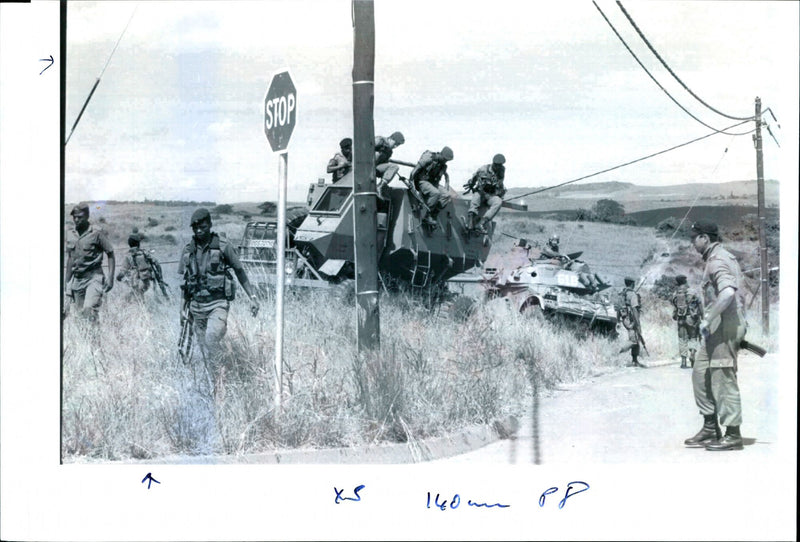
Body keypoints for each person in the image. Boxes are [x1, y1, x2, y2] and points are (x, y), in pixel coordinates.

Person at [684, 221, 746, 451]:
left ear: (705, 238)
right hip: (716, 328)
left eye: (694, 238)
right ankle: (710, 427)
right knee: (700, 374)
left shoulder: (718, 260)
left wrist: (708, 318)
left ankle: (733, 433)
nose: (692, 242)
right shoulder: (714, 258)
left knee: (722, 378)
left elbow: (728, 292)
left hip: (725, 327)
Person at [178, 208, 260, 369]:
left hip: (217, 304)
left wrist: (253, 297)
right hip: (196, 307)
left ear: (210, 224)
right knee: (203, 347)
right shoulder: (188, 250)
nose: (199, 231)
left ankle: (226, 370)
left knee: (211, 339)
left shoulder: (223, 246)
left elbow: (240, 271)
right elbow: (186, 283)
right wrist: (182, 309)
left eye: (203, 227)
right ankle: (216, 379)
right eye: (196, 228)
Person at [64, 202, 115, 322]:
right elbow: (70, 259)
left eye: (80, 217)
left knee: (89, 310)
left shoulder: (96, 233)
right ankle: (90, 339)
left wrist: (110, 277)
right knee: (80, 317)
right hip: (77, 280)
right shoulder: (70, 234)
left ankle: (95, 340)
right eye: (74, 217)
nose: (76, 220)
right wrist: (67, 284)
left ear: (87, 216)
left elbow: (110, 253)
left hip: (94, 277)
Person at [408, 146, 454, 226]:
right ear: (441, 154)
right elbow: (416, 169)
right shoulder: (429, 157)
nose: (445, 161)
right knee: (436, 193)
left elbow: (437, 180)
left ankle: (433, 214)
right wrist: (411, 182)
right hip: (421, 181)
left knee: (447, 195)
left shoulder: (443, 166)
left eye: (447, 160)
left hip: (432, 183)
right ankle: (427, 215)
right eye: (445, 159)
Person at [463, 153, 506, 234]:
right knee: (475, 200)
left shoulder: (502, 171)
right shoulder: (484, 169)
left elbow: (500, 183)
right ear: (493, 163)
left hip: (491, 195)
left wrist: (500, 193)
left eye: (500, 165)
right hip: (481, 193)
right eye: (497, 165)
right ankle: (470, 222)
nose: (498, 167)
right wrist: (471, 184)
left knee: (498, 202)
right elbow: (474, 178)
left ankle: (482, 223)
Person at [671, 274, 701, 369]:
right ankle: (692, 353)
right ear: (685, 281)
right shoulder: (691, 292)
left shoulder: (675, 294)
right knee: (693, 337)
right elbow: (699, 304)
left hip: (680, 318)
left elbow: (674, 306)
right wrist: (701, 316)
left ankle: (683, 362)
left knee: (682, 339)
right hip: (691, 318)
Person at [115, 232, 154, 301]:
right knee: (140, 294)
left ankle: (140, 309)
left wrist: (118, 277)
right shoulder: (145, 253)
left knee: (135, 297)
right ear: (138, 244)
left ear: (129, 244)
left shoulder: (128, 256)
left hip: (136, 281)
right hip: (146, 280)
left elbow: (123, 271)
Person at [619, 277, 643, 367]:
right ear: (632, 284)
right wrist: (638, 323)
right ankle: (619, 351)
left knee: (636, 338)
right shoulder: (632, 294)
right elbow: (634, 309)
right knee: (634, 340)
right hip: (631, 319)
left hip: (625, 318)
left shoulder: (623, 293)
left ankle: (635, 360)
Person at [374, 131, 405, 198]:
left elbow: (384, 165)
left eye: (398, 145)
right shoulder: (380, 140)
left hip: (375, 168)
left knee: (394, 167)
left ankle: (380, 186)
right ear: (391, 138)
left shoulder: (389, 152)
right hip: (365, 165)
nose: (396, 146)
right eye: (395, 143)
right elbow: (367, 146)